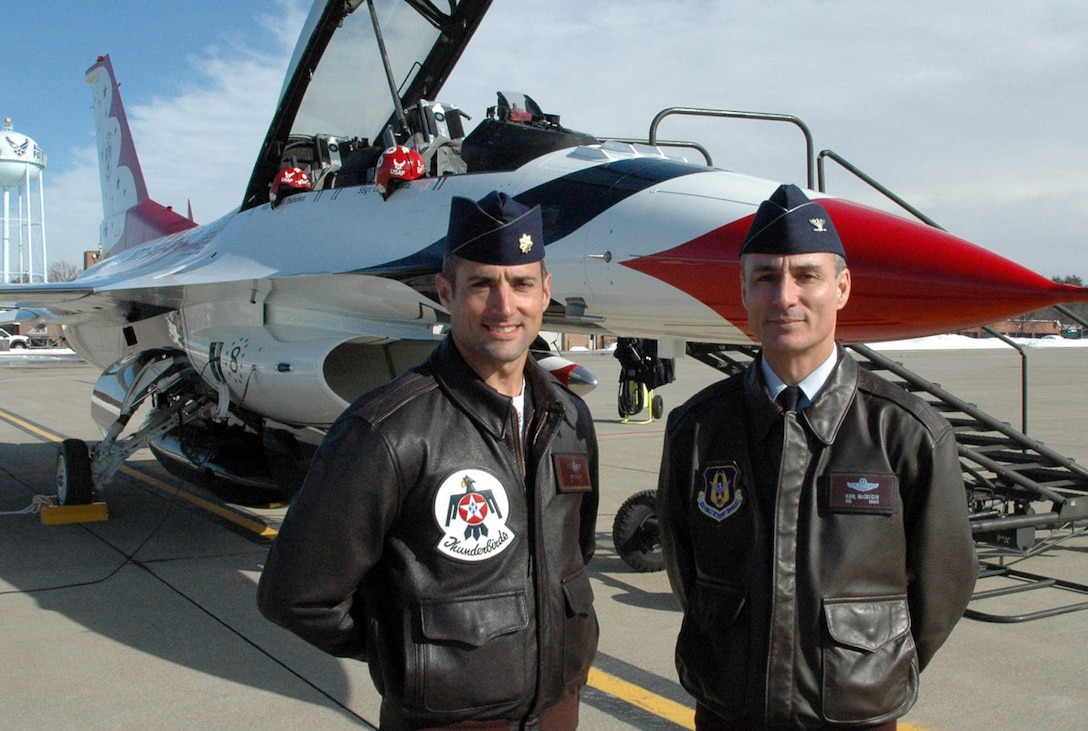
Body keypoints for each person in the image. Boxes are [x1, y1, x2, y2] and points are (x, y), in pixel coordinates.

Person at [258, 191, 600, 730]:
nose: (504, 306)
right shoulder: (387, 431)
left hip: (559, 711)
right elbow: (295, 594)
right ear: (446, 292)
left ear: (545, 293)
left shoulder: (569, 419)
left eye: (521, 284)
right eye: (482, 284)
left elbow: (571, 555)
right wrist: (409, 654)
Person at [656, 183, 978, 730]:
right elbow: (684, 566)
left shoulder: (906, 434)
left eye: (806, 276)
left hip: (854, 715)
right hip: (728, 709)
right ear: (743, 290)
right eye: (765, 277)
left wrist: (870, 666)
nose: (784, 297)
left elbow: (945, 582)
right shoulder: (698, 429)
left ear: (842, 288)